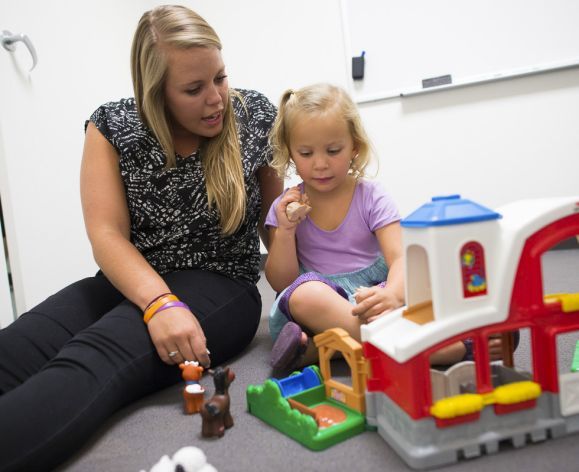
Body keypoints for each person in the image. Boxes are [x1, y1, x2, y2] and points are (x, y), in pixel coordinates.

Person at [0, 5, 281, 471]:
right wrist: (159, 303)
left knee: (93, 357)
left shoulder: (253, 114)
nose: (216, 99)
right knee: (16, 348)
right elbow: (107, 234)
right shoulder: (112, 127)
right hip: (128, 279)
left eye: (220, 78)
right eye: (194, 89)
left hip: (220, 285)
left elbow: (278, 231)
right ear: (156, 93)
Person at [264, 83, 405, 373]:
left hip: (371, 293)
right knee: (305, 294)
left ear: (355, 145)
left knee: (423, 274)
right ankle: (393, 343)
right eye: (305, 153)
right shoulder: (286, 205)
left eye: (333, 150)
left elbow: (400, 257)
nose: (320, 164)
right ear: (290, 153)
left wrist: (392, 294)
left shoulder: (371, 196)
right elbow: (281, 281)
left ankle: (323, 347)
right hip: (321, 300)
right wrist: (286, 231)